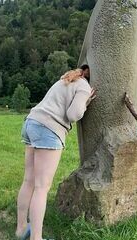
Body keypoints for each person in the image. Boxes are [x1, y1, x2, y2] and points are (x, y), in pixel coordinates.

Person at [16, 65, 96, 240]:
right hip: (48, 129)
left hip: (31, 123)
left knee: (28, 181)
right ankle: (36, 238)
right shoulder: (83, 86)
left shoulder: (67, 79)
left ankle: (21, 229)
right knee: (41, 187)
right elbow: (73, 114)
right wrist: (85, 102)